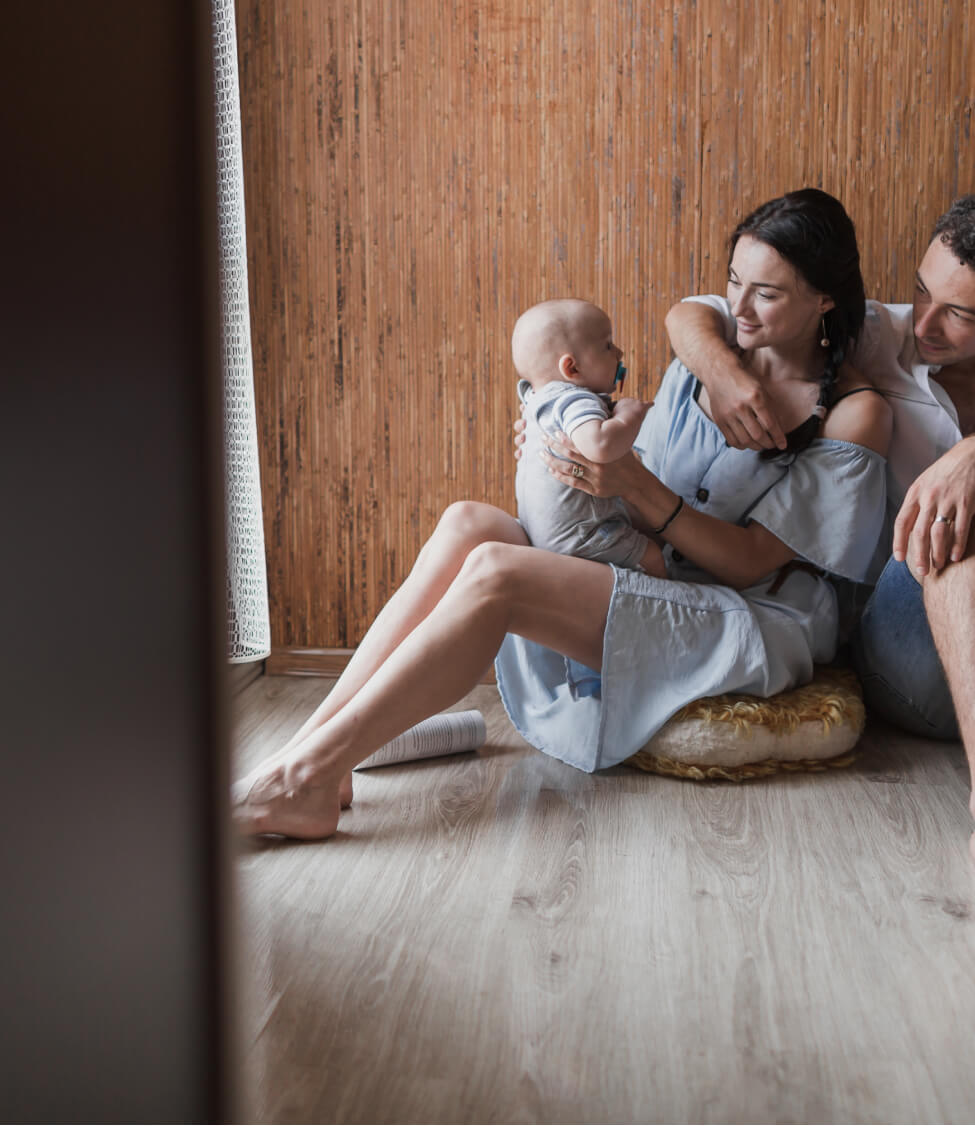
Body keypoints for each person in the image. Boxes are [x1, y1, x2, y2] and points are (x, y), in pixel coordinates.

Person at [233, 187, 890, 840]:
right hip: (646, 557)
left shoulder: (854, 412)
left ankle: (305, 779)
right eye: (732, 281)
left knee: (497, 571)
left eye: (766, 294)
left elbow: (749, 564)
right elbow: (687, 314)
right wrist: (572, 452)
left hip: (749, 613)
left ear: (824, 298)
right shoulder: (713, 345)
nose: (738, 307)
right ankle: (313, 752)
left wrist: (626, 480)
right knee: (470, 523)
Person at [665, 194, 975, 858]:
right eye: (922, 292)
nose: (927, 322)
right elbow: (698, 312)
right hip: (914, 650)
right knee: (958, 539)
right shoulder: (877, 335)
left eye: (961, 314)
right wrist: (719, 374)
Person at [511, 298, 664, 576]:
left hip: (540, 533)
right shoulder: (575, 400)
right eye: (607, 346)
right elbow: (600, 446)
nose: (618, 352)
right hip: (582, 537)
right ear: (572, 369)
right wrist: (631, 415)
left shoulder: (536, 398)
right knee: (652, 556)